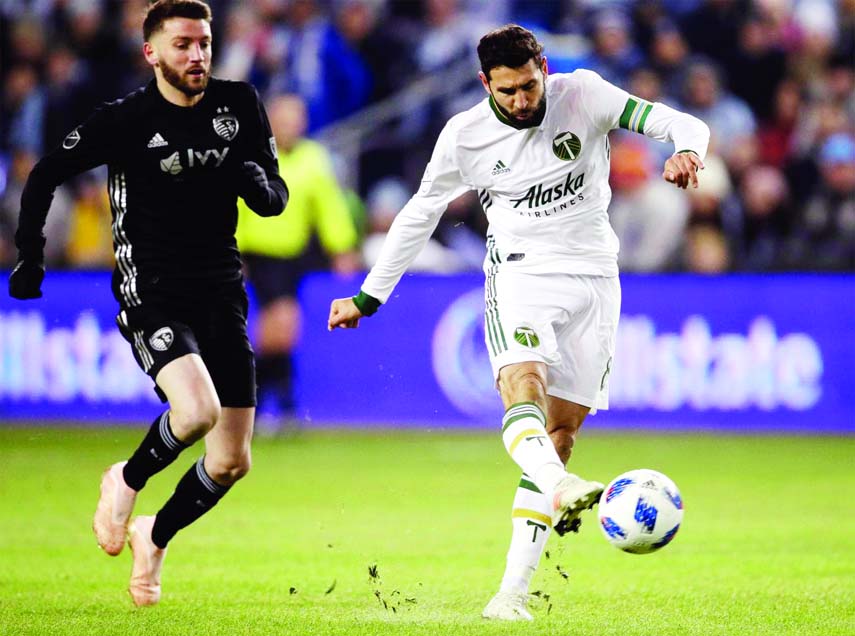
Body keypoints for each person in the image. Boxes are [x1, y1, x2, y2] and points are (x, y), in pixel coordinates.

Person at [328, 24, 708, 621]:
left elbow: (684, 123)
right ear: (485, 84)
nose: (521, 101)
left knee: (559, 436)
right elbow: (418, 213)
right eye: (506, 91)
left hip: (595, 278)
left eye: (529, 86)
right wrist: (369, 297)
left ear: (544, 71)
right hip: (521, 275)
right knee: (520, 384)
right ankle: (557, 488)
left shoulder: (583, 95)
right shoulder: (464, 136)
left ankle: (510, 596)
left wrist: (689, 150)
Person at [7, 0, 288, 606]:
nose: (197, 55)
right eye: (183, 44)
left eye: (205, 43)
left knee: (233, 461)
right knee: (195, 413)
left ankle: (153, 536)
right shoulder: (126, 119)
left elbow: (274, 193)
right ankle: (126, 479)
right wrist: (31, 255)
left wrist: (257, 186)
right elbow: (45, 173)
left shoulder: (238, 103)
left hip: (222, 290)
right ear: (151, 53)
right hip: (152, 291)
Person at [236, 93, 359, 423]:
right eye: (283, 119)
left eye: (295, 120)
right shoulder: (253, 155)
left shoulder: (313, 159)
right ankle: (273, 404)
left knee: (279, 331)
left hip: (294, 256)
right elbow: (235, 206)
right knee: (281, 327)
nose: (290, 126)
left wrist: (341, 247)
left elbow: (329, 206)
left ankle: (267, 405)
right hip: (259, 254)